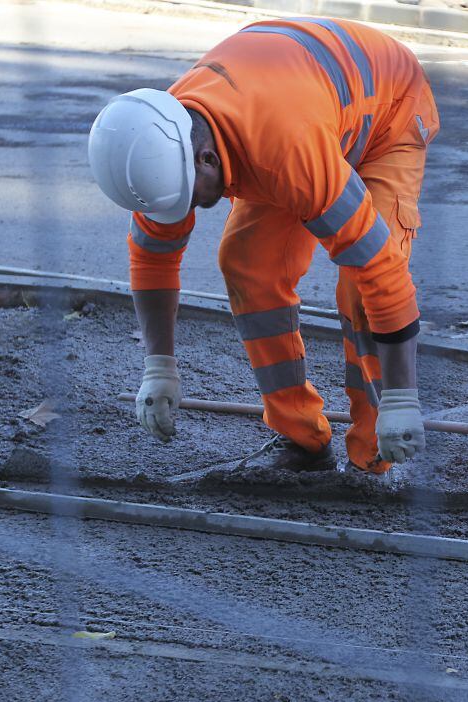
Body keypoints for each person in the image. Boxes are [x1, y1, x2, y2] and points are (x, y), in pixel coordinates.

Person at [87, 17, 439, 475]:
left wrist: (401, 397)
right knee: (248, 265)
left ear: (208, 159)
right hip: (304, 105)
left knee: (361, 292)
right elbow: (153, 258)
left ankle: (374, 455)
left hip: (388, 112)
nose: (188, 211)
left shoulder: (286, 154)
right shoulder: (160, 140)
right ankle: (302, 440)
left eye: (190, 199)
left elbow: (380, 269)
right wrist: (159, 366)